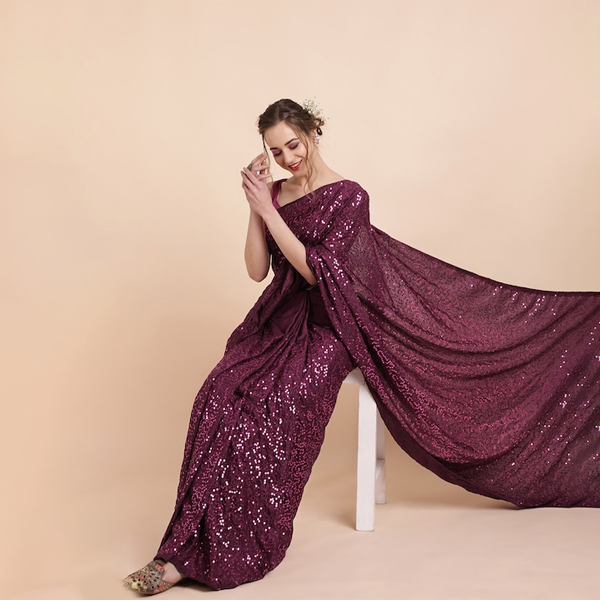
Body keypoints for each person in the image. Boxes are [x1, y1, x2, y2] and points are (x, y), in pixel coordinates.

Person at [125, 99, 600, 595]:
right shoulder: (276, 193)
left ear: (313, 133)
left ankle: (232, 547)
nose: (288, 159)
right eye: (276, 151)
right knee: (219, 393)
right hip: (279, 320)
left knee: (280, 403)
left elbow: (318, 273)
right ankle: (181, 548)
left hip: (335, 326)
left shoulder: (349, 196)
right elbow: (256, 269)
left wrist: (269, 210)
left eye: (293, 145)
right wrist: (256, 207)